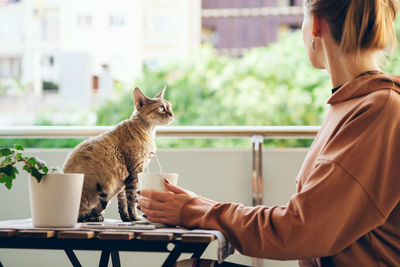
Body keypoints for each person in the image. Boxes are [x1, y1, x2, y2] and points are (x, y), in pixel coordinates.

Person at [137, 0, 400, 266]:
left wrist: (195, 211)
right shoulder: (352, 105)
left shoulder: (378, 112)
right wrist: (196, 204)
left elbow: (298, 229)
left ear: (317, 26)